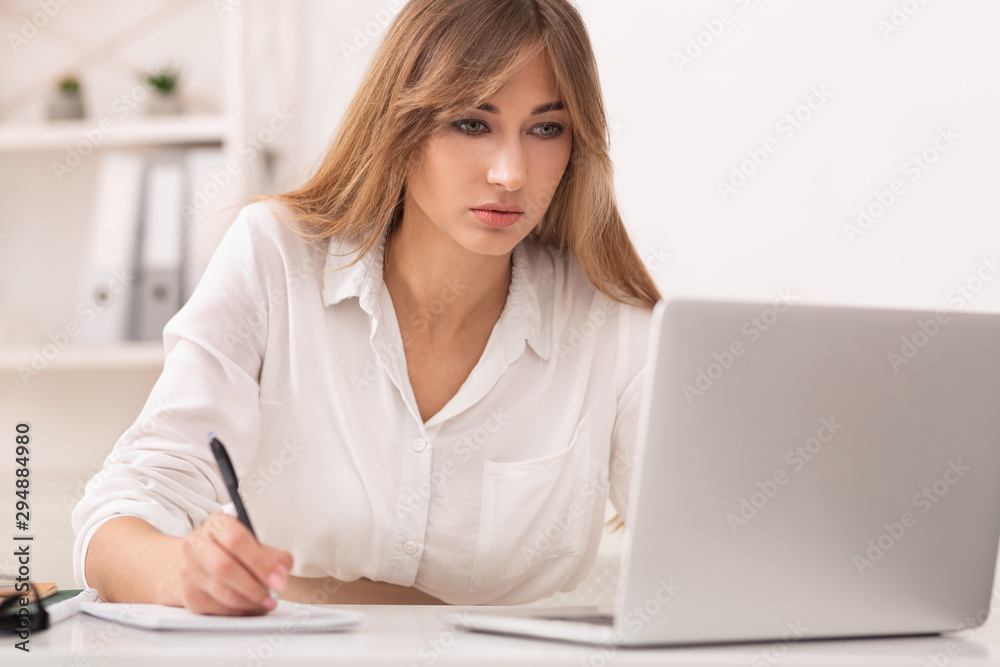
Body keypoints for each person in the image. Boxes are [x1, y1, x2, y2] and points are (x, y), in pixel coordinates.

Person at [72, 0, 660, 615]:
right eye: (471, 122)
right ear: (401, 126)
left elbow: (705, 540)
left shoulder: (611, 322)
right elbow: (123, 507)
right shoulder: (276, 257)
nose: (510, 173)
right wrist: (179, 571)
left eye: (546, 128)